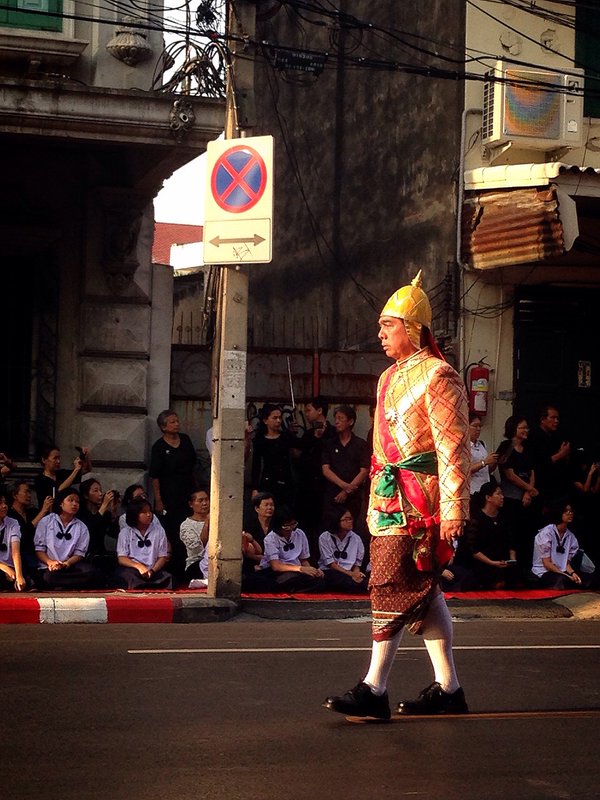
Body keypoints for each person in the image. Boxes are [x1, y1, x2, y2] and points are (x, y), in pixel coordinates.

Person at [323, 271, 471, 722]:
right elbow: (380, 448)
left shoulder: (439, 374)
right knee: (422, 592)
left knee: (389, 582)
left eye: (388, 324)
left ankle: (374, 687)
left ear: (413, 328)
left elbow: (452, 447)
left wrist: (454, 508)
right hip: (387, 499)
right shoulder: (387, 377)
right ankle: (449, 688)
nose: (381, 332)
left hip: (421, 501)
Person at [149, 409, 197, 579]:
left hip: (187, 492)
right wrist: (159, 499)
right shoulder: (159, 447)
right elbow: (154, 476)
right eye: (172, 422)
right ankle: (174, 571)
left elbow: (193, 465)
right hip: (169, 494)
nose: (176, 424)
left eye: (177, 421)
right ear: (163, 426)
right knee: (172, 531)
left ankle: (190, 569)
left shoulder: (185, 440)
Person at [34, 488, 105, 589]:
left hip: (70, 565)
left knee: (94, 573)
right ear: (61, 503)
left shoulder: (81, 526)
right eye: (70, 500)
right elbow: (39, 550)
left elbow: (79, 553)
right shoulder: (46, 521)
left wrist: (67, 563)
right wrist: (51, 562)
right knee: (48, 578)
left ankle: (62, 584)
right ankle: (68, 584)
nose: (75, 504)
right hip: (49, 566)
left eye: (77, 501)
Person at [496, 416, 539, 569]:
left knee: (525, 532)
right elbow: (509, 474)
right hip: (510, 496)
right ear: (514, 429)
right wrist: (529, 488)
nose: (526, 430)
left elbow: (532, 471)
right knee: (511, 531)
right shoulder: (506, 446)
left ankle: (526, 566)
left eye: (527, 428)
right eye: (522, 427)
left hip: (525, 497)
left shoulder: (529, 448)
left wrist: (529, 492)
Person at [461, 481, 520, 589]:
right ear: (488, 497)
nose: (502, 497)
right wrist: (492, 562)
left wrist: (512, 560)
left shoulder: (504, 518)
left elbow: (511, 541)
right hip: (484, 561)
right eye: (498, 494)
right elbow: (472, 549)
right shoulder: (476, 519)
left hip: (502, 561)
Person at [321, 405, 370, 528]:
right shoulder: (330, 444)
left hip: (353, 496)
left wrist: (347, 491)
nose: (336, 422)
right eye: (335, 418)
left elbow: (364, 471)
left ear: (351, 421)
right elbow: (325, 469)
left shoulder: (360, 444)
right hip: (333, 494)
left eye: (340, 418)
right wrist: (343, 486)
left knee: (351, 527)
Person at [297, 396, 336, 545]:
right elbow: (302, 459)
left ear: (320, 411)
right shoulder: (308, 434)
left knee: (326, 522)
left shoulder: (333, 433)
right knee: (307, 524)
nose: (306, 414)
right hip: (307, 487)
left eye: (309, 410)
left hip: (327, 486)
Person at [256, 507, 324, 593]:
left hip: (298, 569)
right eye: (286, 526)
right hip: (279, 571)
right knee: (289, 578)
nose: (290, 529)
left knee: (319, 581)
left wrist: (312, 570)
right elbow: (276, 566)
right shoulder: (270, 539)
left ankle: (293, 589)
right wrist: (300, 569)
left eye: (293, 525)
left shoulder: (300, 534)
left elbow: (303, 560)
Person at [531, 502, 593, 589]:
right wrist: (566, 575)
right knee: (561, 580)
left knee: (587, 579)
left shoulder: (570, 536)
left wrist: (572, 573)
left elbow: (566, 563)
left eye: (571, 511)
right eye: (566, 511)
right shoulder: (547, 533)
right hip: (545, 571)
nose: (570, 513)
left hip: (562, 571)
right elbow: (546, 563)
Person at [114, 497, 172, 589]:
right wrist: (139, 567)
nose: (149, 515)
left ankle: (146, 585)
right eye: (144, 512)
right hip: (133, 569)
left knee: (168, 577)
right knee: (125, 576)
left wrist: (152, 571)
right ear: (135, 514)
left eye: (150, 511)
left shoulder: (159, 530)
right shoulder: (125, 532)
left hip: (153, 570)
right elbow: (122, 558)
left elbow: (162, 557)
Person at [251, 404, 299, 507]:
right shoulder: (260, 440)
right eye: (274, 418)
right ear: (265, 420)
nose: (278, 421)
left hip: (286, 483)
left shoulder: (286, 436)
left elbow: (301, 446)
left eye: (280, 418)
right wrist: (255, 488)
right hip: (268, 483)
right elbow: (256, 465)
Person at [527, 405, 571, 510]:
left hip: (557, 487)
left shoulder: (555, 437)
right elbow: (540, 464)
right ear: (543, 419)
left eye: (558, 418)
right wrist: (560, 454)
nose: (556, 421)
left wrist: (564, 454)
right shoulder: (534, 437)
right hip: (542, 487)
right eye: (553, 418)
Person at [8, 480, 53, 575]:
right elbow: (23, 533)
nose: (29, 495)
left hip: (36, 552)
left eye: (30, 492)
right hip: (18, 554)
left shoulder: (32, 512)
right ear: (14, 495)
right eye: (26, 492)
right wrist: (43, 511)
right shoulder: (9, 515)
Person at [318, 508, 368, 592]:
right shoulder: (325, 537)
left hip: (349, 572)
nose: (350, 521)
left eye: (351, 519)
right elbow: (331, 564)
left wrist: (356, 574)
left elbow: (357, 564)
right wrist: (351, 574)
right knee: (335, 578)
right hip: (332, 571)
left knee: (365, 582)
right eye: (346, 519)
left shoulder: (356, 538)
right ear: (336, 521)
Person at [77, 478, 119, 558]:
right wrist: (104, 505)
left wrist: (113, 512)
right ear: (86, 495)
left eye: (100, 490)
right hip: (84, 554)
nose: (100, 494)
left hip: (100, 554)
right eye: (96, 491)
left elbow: (113, 533)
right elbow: (90, 528)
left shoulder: (105, 514)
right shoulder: (80, 513)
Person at [179, 488, 210, 582]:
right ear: (191, 504)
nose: (205, 503)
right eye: (200, 501)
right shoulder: (186, 525)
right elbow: (199, 549)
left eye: (206, 499)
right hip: (196, 564)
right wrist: (207, 523)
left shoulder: (218, 520)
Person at [0, 491, 27, 591]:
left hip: (11, 566)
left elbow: (15, 552)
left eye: (5, 503)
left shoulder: (13, 523)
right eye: (0, 503)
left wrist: (19, 576)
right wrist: (4, 568)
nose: (4, 506)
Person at [468, 412, 498, 496]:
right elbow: (464, 470)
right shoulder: (463, 446)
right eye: (475, 426)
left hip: (485, 489)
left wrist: (494, 462)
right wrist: (484, 462)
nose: (478, 429)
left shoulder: (482, 444)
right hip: (472, 490)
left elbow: (486, 470)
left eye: (480, 426)